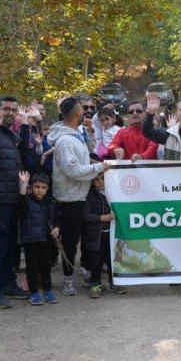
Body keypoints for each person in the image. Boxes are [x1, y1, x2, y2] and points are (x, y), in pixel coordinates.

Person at [0, 97, 41, 308]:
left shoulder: (9, 135)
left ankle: (7, 283)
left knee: (7, 248)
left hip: (12, 198)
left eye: (14, 110)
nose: (10, 112)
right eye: (6, 108)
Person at [49, 97, 110, 296]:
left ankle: (87, 272)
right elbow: (73, 170)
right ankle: (67, 279)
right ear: (77, 114)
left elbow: (79, 162)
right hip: (69, 200)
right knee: (69, 241)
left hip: (82, 195)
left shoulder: (75, 136)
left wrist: (93, 162)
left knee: (87, 240)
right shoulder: (66, 140)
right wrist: (100, 167)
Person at [17, 171, 59, 305]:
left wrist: (57, 228)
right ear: (31, 187)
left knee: (46, 266)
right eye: (37, 187)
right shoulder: (27, 201)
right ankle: (33, 292)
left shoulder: (50, 202)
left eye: (43, 188)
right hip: (30, 240)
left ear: (48, 188)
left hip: (46, 240)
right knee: (32, 267)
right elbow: (20, 204)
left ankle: (47, 290)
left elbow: (56, 218)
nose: (40, 190)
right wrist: (23, 184)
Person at [83, 172, 125, 298]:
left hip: (112, 235)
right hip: (96, 235)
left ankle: (115, 282)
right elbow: (85, 215)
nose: (100, 182)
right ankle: (95, 284)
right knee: (96, 261)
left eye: (102, 178)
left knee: (113, 260)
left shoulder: (115, 192)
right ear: (92, 183)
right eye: (96, 180)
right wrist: (102, 218)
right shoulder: (90, 196)